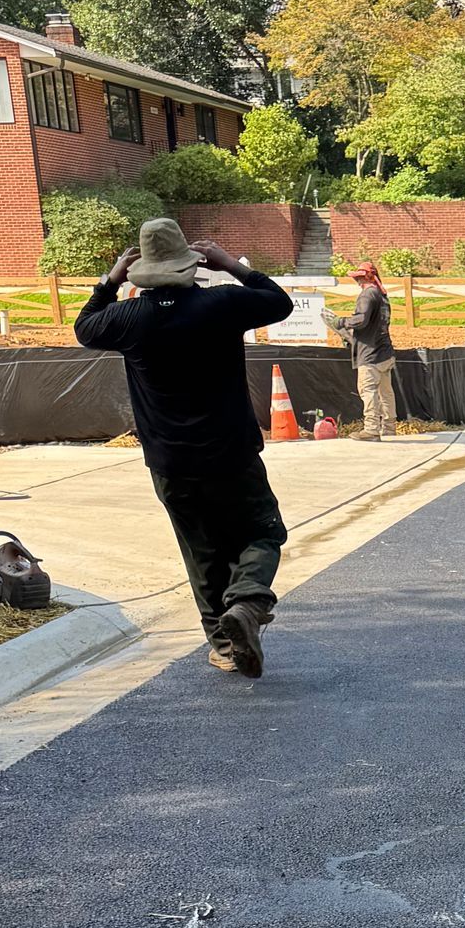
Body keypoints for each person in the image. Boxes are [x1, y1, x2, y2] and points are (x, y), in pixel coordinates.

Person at [75, 216, 294, 679]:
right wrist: (231, 264)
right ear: (192, 264)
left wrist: (109, 280)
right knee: (262, 532)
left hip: (170, 462)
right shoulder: (222, 304)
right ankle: (248, 603)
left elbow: (85, 325)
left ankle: (223, 643)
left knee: (202, 554)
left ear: (142, 272)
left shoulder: (126, 318)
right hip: (231, 453)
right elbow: (279, 302)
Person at [339, 260, 398, 440]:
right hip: (385, 352)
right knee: (386, 391)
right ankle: (389, 428)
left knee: (368, 389)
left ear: (362, 279)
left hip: (370, 353)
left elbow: (361, 320)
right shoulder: (382, 296)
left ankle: (371, 429)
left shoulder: (367, 295)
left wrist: (342, 323)